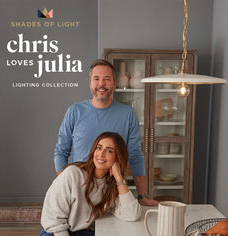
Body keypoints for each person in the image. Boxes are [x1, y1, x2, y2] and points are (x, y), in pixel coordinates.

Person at [54, 59, 157, 206]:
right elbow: (61, 151)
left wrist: (142, 196)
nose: (101, 84)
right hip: (79, 191)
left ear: (114, 83)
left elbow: (135, 156)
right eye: (96, 79)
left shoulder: (128, 114)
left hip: (113, 192)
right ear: (90, 83)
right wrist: (65, 186)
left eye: (107, 79)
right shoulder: (74, 111)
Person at [40, 132, 142, 236]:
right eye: (99, 148)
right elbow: (52, 219)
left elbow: (132, 214)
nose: (101, 155)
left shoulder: (111, 186)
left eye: (110, 151)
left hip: (84, 232)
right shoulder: (73, 174)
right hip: (56, 232)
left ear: (118, 158)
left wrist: (119, 177)